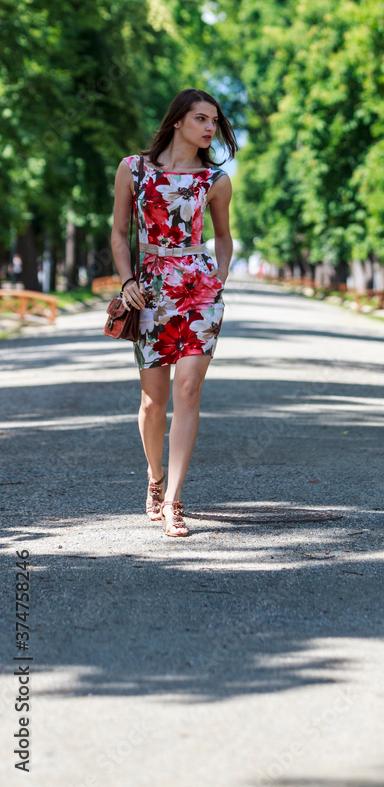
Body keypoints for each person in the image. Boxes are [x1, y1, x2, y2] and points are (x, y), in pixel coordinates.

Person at [111, 88, 237, 537]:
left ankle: (174, 502)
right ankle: (155, 477)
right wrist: (127, 282)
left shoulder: (215, 180)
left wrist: (219, 277)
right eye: (201, 118)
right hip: (149, 291)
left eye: (214, 121)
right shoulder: (134, 169)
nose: (209, 128)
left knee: (188, 390)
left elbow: (223, 236)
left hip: (199, 290)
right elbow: (119, 233)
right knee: (153, 402)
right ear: (178, 120)